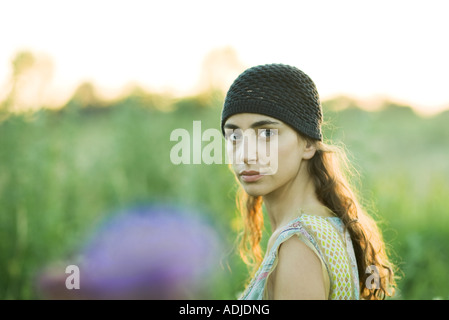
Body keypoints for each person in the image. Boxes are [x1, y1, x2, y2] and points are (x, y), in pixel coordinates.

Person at [220, 64, 396, 300]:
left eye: (267, 134)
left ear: (308, 144)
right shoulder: (326, 226)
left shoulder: (298, 244)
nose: (245, 154)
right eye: (234, 136)